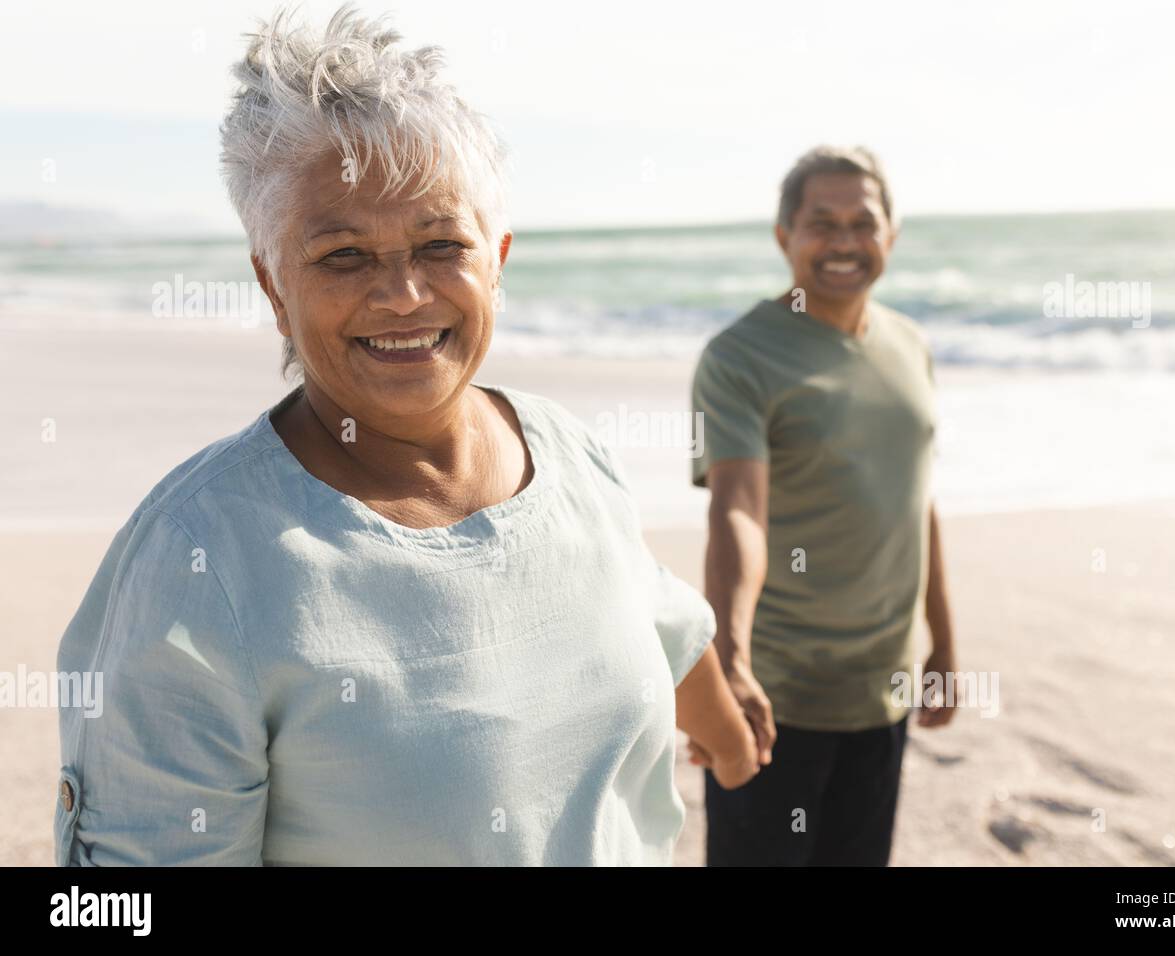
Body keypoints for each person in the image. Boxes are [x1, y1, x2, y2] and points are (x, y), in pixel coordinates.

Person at [53, 3, 758, 867]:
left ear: (495, 260)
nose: (403, 296)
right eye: (343, 255)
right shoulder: (200, 561)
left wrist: (730, 737)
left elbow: (656, 622)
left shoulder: (568, 454)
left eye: (439, 244)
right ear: (273, 285)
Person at [687, 145, 956, 866]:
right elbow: (736, 511)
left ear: (892, 234)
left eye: (863, 222)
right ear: (785, 237)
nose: (843, 242)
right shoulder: (740, 358)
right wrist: (730, 660)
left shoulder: (911, 345)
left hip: (883, 692)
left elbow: (915, 500)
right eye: (820, 222)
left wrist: (945, 644)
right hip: (775, 701)